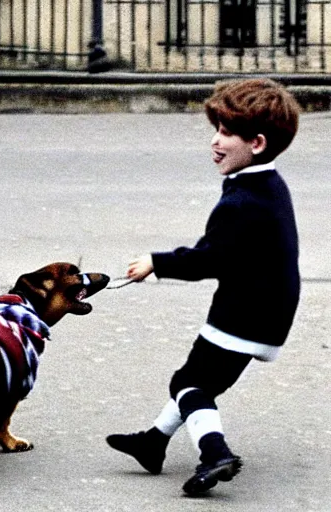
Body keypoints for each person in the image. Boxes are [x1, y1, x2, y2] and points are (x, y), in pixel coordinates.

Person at [106, 78, 301, 496]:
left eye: (227, 133)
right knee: (196, 380)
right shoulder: (266, 184)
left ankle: (215, 454)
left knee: (189, 386)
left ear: (258, 143)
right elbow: (231, 251)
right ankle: (152, 443)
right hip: (267, 309)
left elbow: (209, 259)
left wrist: (155, 263)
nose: (215, 141)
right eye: (216, 129)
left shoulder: (241, 203)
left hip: (243, 313)